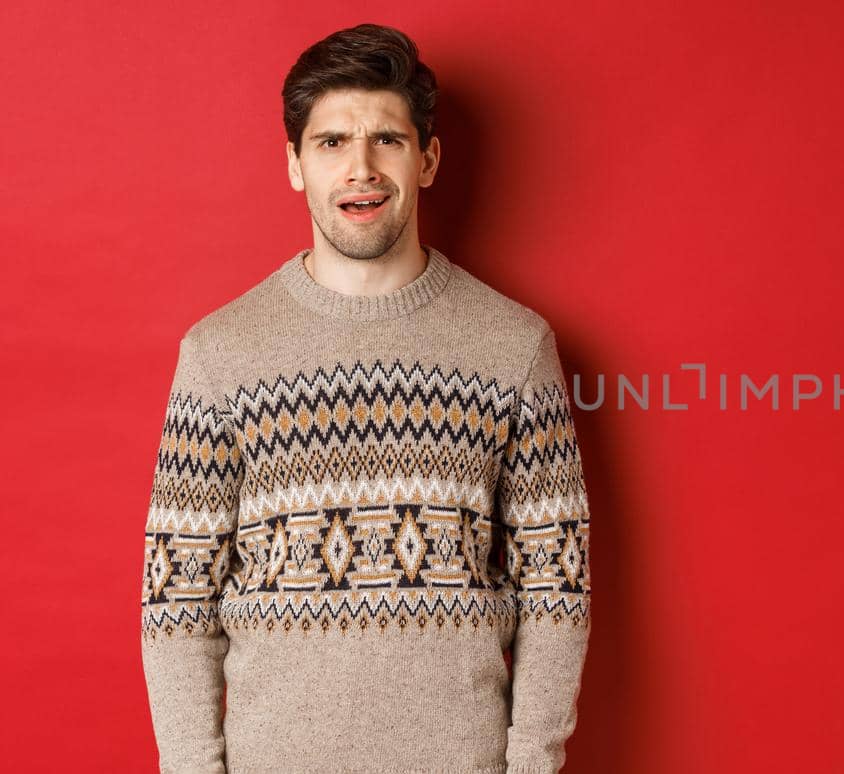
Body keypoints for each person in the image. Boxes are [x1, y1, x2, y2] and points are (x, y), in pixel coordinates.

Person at [138, 23, 592, 773]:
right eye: (331, 143)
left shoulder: (516, 348)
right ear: (294, 165)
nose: (361, 168)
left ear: (428, 159)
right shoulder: (219, 355)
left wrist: (532, 763)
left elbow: (558, 583)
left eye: (387, 139)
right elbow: (177, 598)